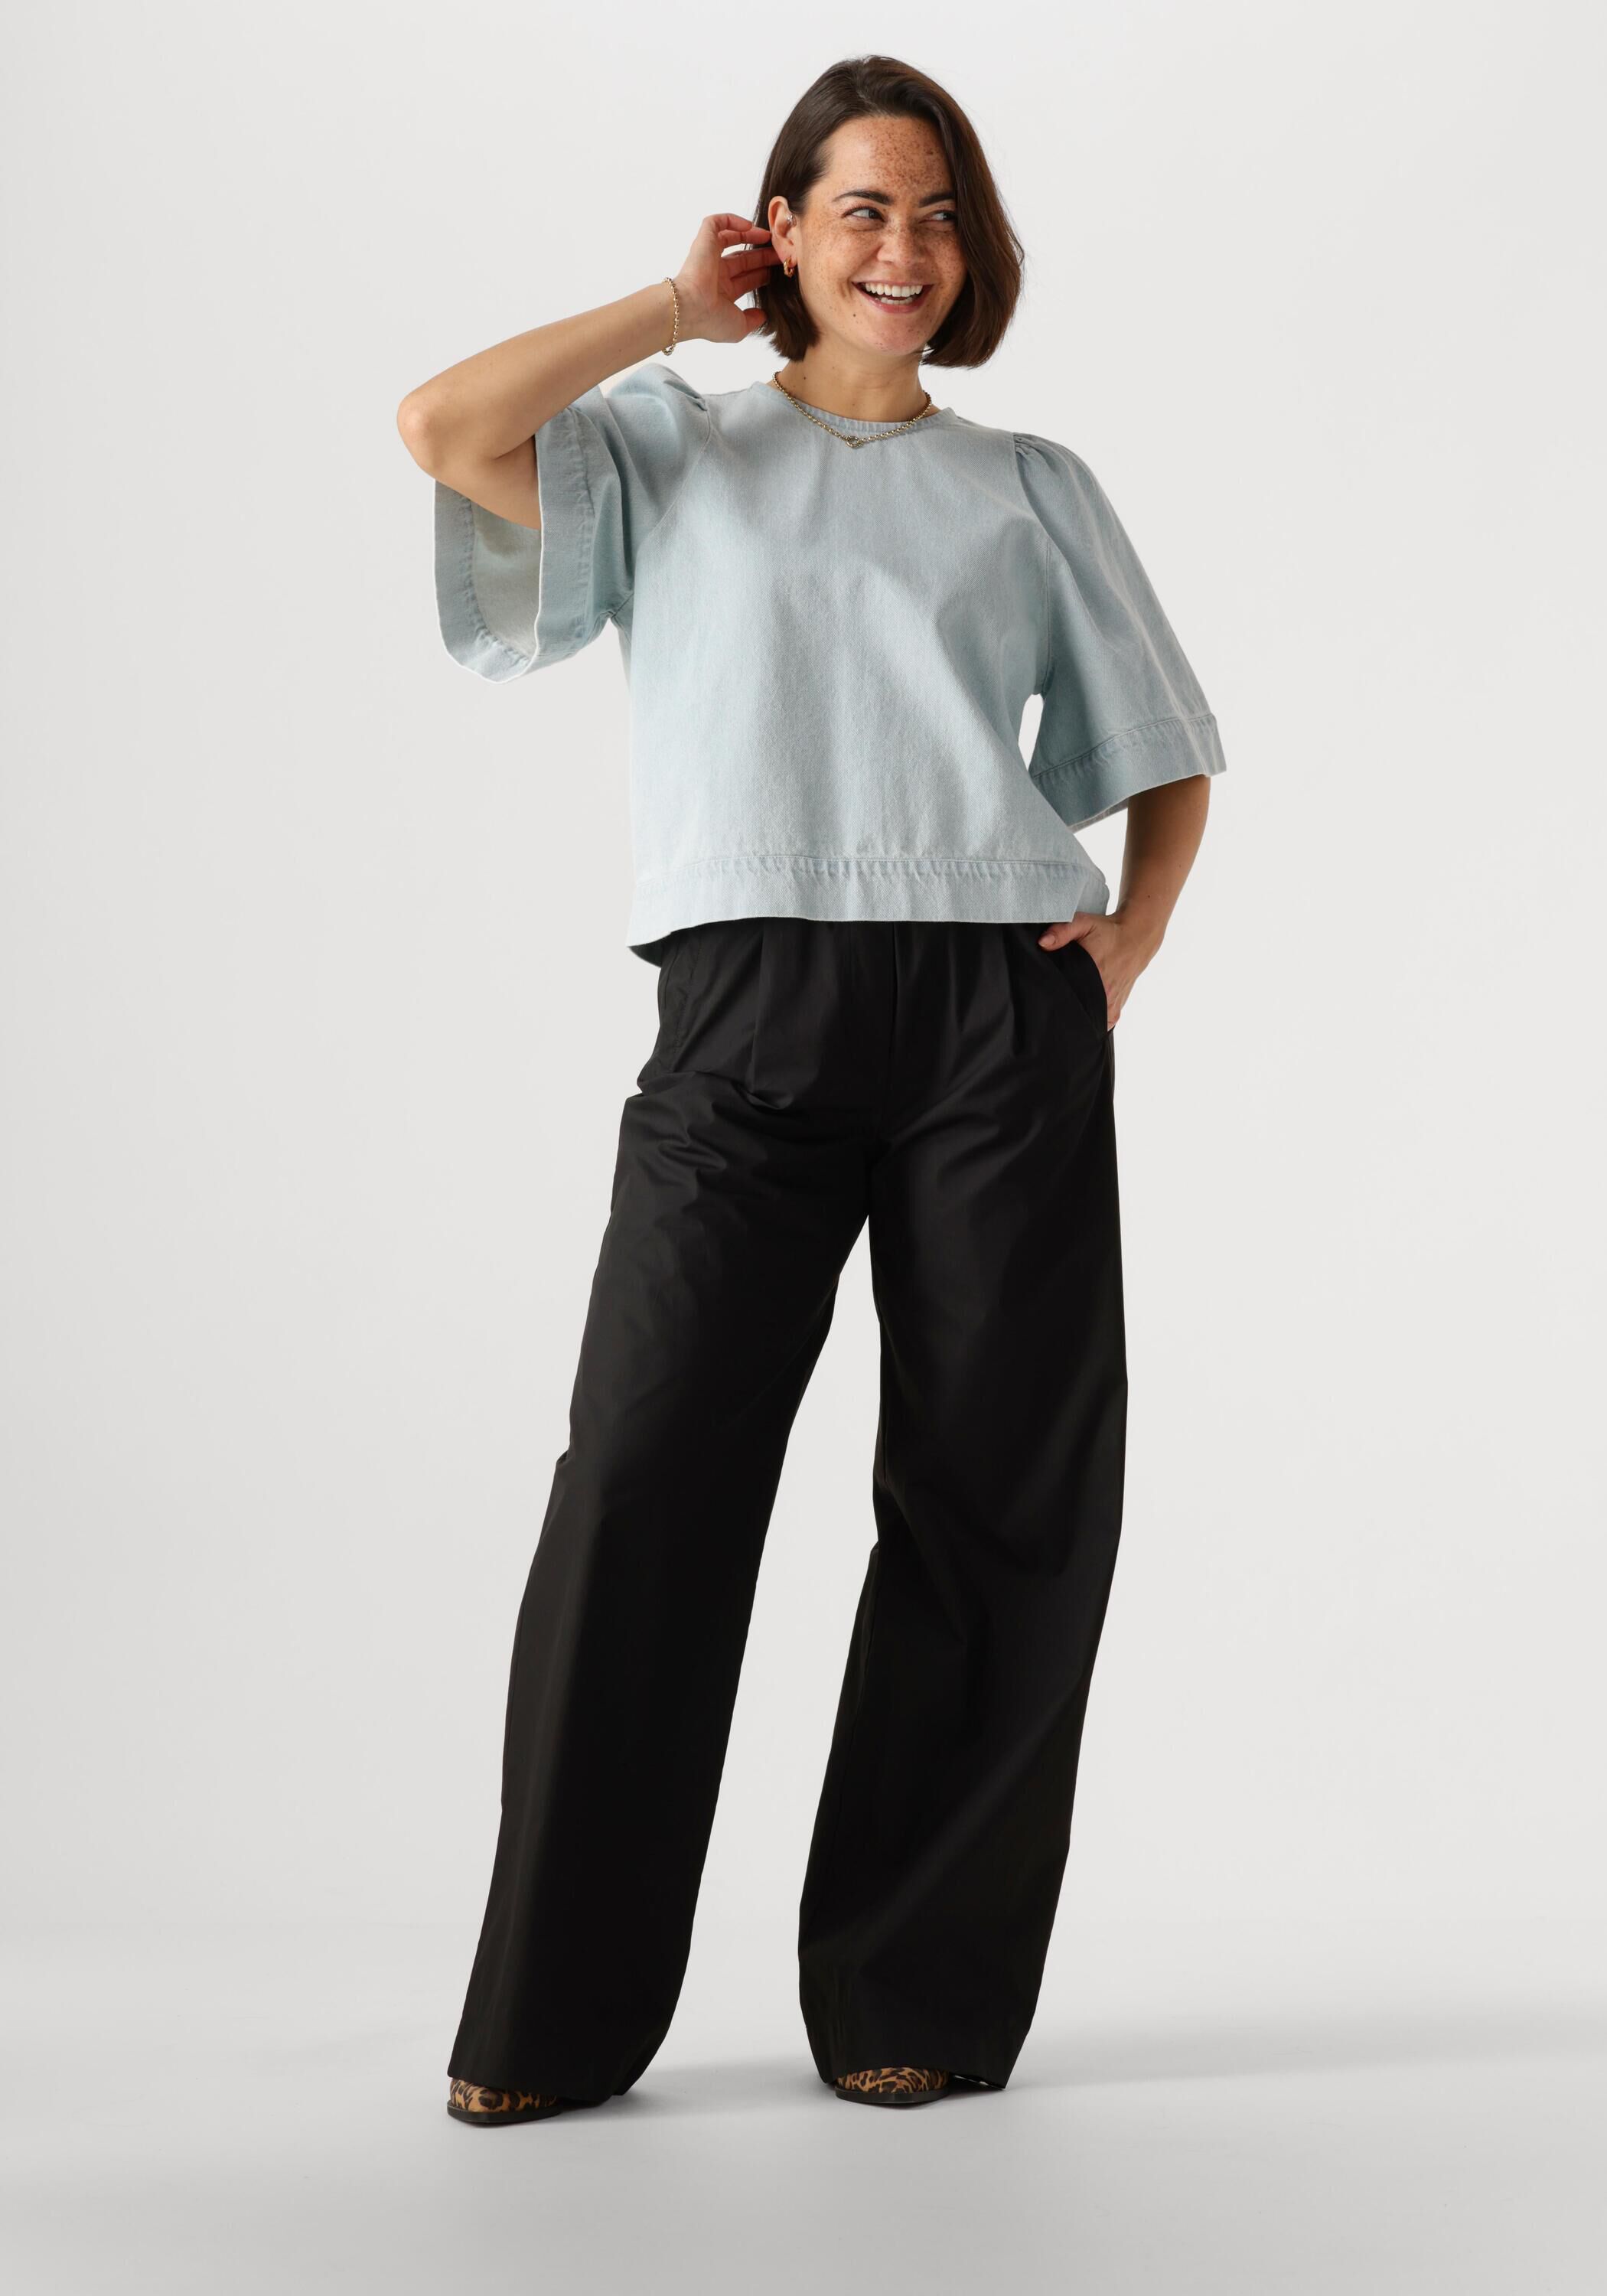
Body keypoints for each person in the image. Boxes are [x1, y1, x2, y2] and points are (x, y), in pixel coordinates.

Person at [396, 52, 1225, 2125]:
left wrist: (1124, 946)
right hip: (745, 1006)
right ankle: (551, 2024)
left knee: (997, 1500)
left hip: (996, 1015)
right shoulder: (666, 449)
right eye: (861, 207)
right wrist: (670, 312)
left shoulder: (1029, 484)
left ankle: (912, 1994)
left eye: (936, 213)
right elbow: (441, 426)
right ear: (781, 229)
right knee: (642, 1486)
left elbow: (1165, 746)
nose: (902, 248)